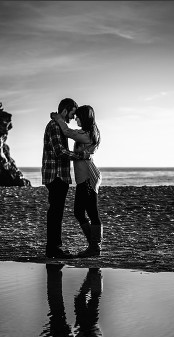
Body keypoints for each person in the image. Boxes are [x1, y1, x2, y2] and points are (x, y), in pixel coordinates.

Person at [50, 105, 102, 257]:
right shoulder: (85, 132)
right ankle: (93, 246)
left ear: (85, 118)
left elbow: (67, 132)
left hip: (88, 177)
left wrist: (58, 118)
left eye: (78, 117)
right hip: (83, 178)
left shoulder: (88, 134)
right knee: (79, 212)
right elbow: (69, 133)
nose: (76, 119)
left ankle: (95, 247)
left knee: (92, 213)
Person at [42, 98, 89, 258]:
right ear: (65, 110)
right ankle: (53, 249)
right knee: (55, 212)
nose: (73, 116)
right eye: (72, 112)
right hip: (56, 175)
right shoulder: (55, 126)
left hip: (59, 175)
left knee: (57, 212)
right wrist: (79, 155)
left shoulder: (58, 125)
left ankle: (55, 248)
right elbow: (59, 152)